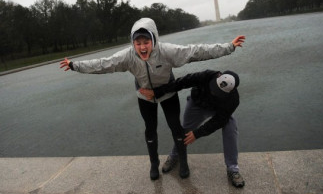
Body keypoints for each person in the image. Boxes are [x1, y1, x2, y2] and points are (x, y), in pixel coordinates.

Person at [60, 17, 245, 181]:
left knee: (176, 127)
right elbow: (103, 64)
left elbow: (196, 51)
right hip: (145, 95)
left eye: (146, 42)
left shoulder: (166, 51)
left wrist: (229, 47)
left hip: (168, 92)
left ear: (153, 40)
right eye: (137, 42)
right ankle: (153, 164)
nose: (142, 47)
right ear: (133, 43)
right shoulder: (128, 56)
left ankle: (183, 163)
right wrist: (75, 65)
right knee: (150, 129)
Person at [140, 69, 245, 188]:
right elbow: (182, 82)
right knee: (184, 131)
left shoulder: (233, 100)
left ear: (231, 91)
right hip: (197, 105)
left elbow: (219, 121)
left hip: (219, 110)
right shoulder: (207, 75)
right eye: (214, 87)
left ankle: (233, 169)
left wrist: (197, 133)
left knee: (231, 127)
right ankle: (174, 156)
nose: (213, 92)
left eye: (219, 92)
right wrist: (157, 92)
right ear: (218, 76)